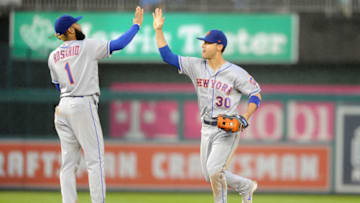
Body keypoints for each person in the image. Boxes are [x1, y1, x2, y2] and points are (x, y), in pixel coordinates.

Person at [152, 8, 261, 203]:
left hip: (226, 128)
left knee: (214, 171)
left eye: (207, 43)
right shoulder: (196, 66)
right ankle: (245, 186)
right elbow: (167, 56)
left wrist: (245, 118)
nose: (203, 46)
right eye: (203, 42)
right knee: (208, 174)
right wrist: (158, 30)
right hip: (206, 127)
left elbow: (256, 94)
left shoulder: (235, 73)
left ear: (219, 46)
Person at [48, 6, 143, 203]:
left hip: (63, 106)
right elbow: (118, 44)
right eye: (76, 23)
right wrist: (136, 26)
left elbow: (58, 86)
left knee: (68, 164)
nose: (79, 24)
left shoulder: (53, 56)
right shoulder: (87, 46)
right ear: (71, 30)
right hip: (82, 105)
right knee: (95, 159)